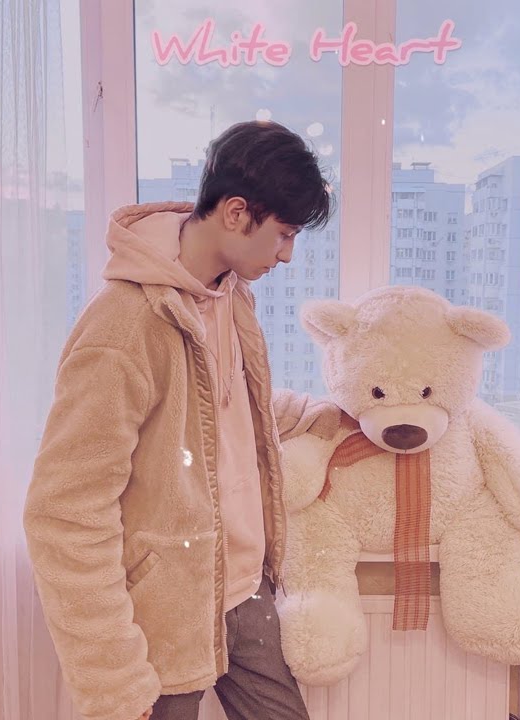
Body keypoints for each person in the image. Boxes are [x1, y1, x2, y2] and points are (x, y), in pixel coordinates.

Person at [23, 120, 336, 720]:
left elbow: (216, 413)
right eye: (284, 234)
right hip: (166, 610)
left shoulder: (231, 295)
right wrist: (113, 679)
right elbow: (63, 511)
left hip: (244, 588)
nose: (288, 255)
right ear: (237, 213)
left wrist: (318, 414)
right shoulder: (123, 326)